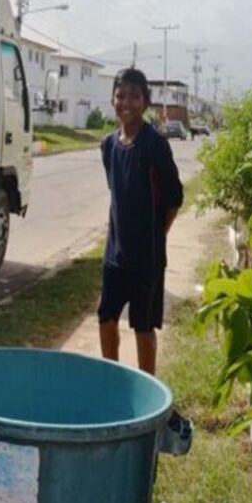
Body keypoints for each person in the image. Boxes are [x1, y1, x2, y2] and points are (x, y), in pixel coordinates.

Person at [99, 68, 183, 375]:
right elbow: (117, 192)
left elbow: (174, 198)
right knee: (106, 318)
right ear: (113, 99)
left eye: (135, 96)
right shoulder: (108, 146)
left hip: (146, 258)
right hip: (114, 255)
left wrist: (157, 235)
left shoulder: (155, 145)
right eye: (121, 95)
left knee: (143, 327)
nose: (127, 103)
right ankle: (113, 381)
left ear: (145, 102)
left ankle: (149, 393)